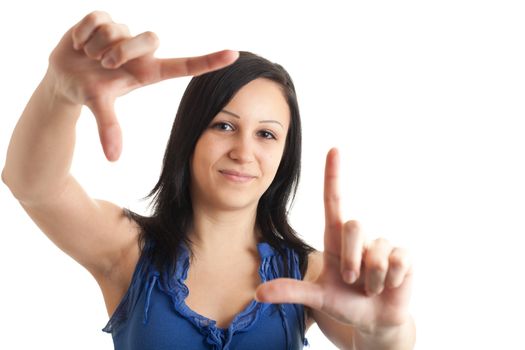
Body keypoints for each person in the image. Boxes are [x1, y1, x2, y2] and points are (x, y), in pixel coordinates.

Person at [2, 11, 415, 350]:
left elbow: (376, 343)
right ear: (190, 134)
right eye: (223, 126)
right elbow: (33, 185)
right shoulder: (126, 250)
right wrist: (60, 92)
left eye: (266, 134)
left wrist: (387, 331)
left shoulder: (308, 274)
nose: (243, 151)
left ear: (285, 154)